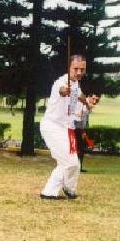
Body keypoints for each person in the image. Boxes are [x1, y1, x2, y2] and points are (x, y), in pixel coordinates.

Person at [40, 55, 98, 200]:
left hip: (66, 129)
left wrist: (88, 104)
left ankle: (70, 189)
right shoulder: (60, 83)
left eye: (82, 69)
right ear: (69, 68)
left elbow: (78, 104)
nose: (79, 72)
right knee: (68, 162)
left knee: (75, 163)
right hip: (52, 127)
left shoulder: (77, 86)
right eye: (76, 69)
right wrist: (65, 91)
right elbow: (62, 90)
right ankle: (48, 192)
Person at [74, 94, 99, 172]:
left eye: (96, 100)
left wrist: (83, 131)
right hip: (74, 129)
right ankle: (76, 168)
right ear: (88, 96)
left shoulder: (89, 106)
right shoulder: (81, 103)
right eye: (93, 99)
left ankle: (79, 167)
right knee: (77, 149)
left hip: (80, 129)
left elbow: (85, 119)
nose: (95, 102)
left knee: (80, 150)